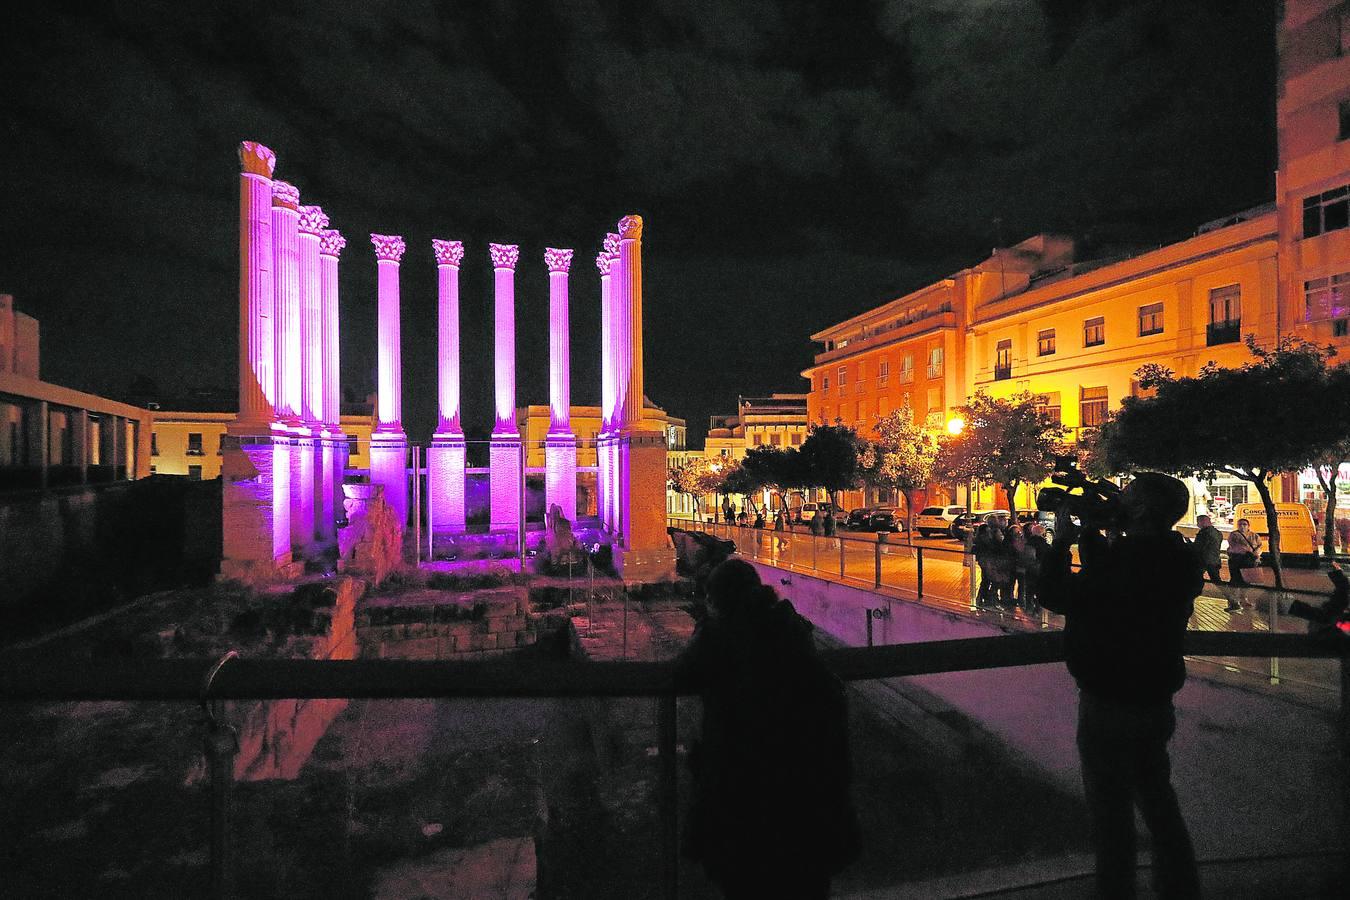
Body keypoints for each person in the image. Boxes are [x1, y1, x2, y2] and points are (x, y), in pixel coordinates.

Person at [1039, 472, 1202, 899]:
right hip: (1155, 697)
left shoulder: (1126, 559)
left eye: (1128, 495)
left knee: (1110, 813)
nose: (1120, 500)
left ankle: (1117, 891)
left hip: (1110, 699)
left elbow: (1058, 595)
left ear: (1143, 508)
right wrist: (1102, 535)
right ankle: (1181, 888)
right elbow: (1112, 586)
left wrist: (1060, 544)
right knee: (1158, 801)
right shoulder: (1178, 557)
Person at [676, 559, 860, 899]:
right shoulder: (791, 629)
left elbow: (682, 674)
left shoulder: (721, 637)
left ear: (717, 601)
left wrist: (706, 626)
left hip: (744, 797)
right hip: (806, 795)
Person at [1193, 515, 1236, 613]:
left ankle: (1233, 601)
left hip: (1203, 560)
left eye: (1198, 521)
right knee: (1217, 581)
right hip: (1214, 560)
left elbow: (1198, 547)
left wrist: (1189, 545)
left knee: (1195, 580)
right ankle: (1233, 601)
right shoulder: (1217, 532)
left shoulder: (1204, 533)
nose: (1197, 524)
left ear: (1203, 522)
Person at [1226, 518, 1262, 606]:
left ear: (1248, 526)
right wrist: (1247, 550)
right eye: (1240, 524)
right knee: (1235, 579)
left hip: (1249, 560)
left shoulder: (1254, 535)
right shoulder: (1234, 535)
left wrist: (1256, 555)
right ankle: (1234, 600)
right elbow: (1234, 546)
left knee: (1247, 580)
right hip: (1237, 559)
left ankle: (1244, 598)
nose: (1242, 526)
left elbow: (1259, 546)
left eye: (1244, 524)